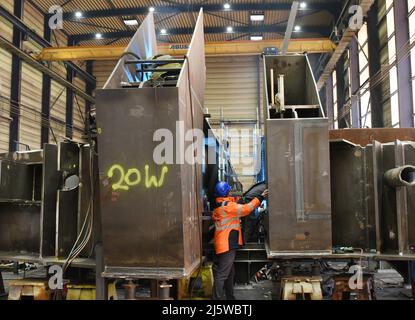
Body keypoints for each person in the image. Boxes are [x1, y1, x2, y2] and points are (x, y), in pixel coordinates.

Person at [212, 181, 268, 300]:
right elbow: (246, 209)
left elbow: (233, 202)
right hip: (226, 244)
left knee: (230, 273)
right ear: (226, 192)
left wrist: (242, 197)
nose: (231, 191)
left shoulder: (222, 204)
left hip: (226, 243)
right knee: (222, 274)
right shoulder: (228, 207)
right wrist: (260, 197)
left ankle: (230, 297)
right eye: (229, 190)